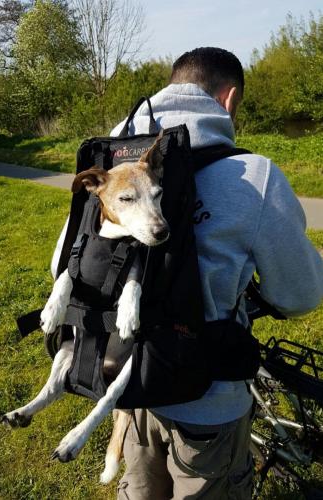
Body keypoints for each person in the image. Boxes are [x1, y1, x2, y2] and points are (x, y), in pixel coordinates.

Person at [109, 47, 323, 500]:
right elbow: (302, 294)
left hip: (125, 377)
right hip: (207, 399)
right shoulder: (254, 175)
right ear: (227, 101)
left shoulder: (113, 163)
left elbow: (68, 262)